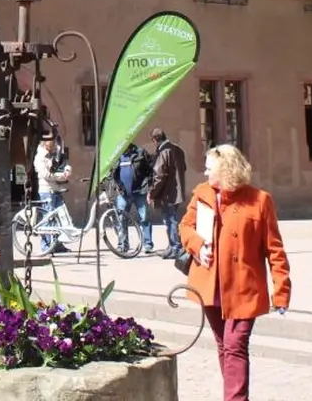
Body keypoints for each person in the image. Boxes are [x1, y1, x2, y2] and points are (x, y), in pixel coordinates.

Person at [180, 144, 291, 401]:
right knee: (224, 346)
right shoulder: (202, 194)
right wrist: (197, 246)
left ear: (226, 169)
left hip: (244, 289)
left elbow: (275, 251)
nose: (205, 173)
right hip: (210, 285)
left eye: (210, 168)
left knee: (235, 346)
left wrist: (281, 292)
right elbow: (185, 226)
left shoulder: (260, 200)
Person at [147, 127, 187, 259]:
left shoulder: (164, 151)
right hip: (176, 190)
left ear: (155, 140)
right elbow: (183, 168)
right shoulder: (177, 149)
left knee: (170, 220)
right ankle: (172, 246)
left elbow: (159, 175)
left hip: (168, 193)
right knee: (170, 219)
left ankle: (175, 247)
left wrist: (152, 193)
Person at [32, 130, 72, 254]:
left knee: (60, 218)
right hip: (47, 190)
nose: (54, 144)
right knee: (48, 218)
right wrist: (62, 176)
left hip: (56, 190)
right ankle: (46, 246)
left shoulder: (54, 154)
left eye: (54, 142)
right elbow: (46, 174)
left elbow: (61, 164)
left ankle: (58, 244)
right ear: (45, 143)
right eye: (52, 142)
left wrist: (67, 169)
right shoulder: (40, 157)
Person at [113, 141, 155, 253]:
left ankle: (148, 244)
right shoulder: (117, 155)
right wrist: (117, 186)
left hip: (139, 191)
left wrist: (148, 185)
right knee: (121, 219)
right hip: (123, 194)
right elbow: (113, 172)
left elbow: (150, 170)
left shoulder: (140, 152)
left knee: (144, 217)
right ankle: (123, 245)